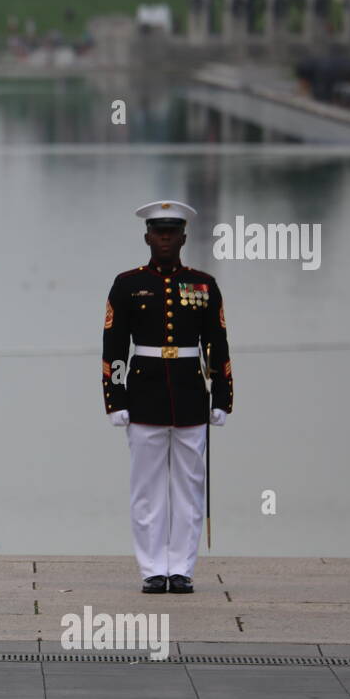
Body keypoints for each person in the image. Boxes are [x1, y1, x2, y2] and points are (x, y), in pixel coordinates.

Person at [102, 200, 232, 594]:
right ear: (146, 237)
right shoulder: (127, 284)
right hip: (144, 394)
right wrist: (116, 398)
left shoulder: (204, 284)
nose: (164, 238)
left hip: (191, 393)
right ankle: (152, 569)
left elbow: (217, 344)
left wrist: (222, 396)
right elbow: (113, 345)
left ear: (183, 237)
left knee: (190, 489)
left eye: (172, 232)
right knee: (147, 491)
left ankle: (182, 569)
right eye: (158, 232)